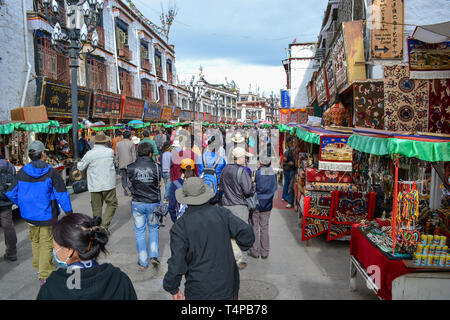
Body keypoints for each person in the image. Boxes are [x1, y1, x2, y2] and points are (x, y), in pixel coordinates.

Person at [163, 177, 254, 300]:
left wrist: (172, 287)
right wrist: (240, 245)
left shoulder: (180, 227)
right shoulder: (222, 213)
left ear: (185, 199)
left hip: (199, 290)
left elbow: (177, 262)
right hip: (228, 286)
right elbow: (247, 233)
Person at [6, 141, 73, 286]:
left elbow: (10, 192)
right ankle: (44, 273)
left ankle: (39, 266)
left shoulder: (22, 172)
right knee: (46, 243)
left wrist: (22, 203)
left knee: (35, 241)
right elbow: (62, 194)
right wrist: (69, 213)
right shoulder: (51, 172)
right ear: (43, 153)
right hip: (46, 215)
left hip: (28, 215)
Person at [36, 213, 137, 300]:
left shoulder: (51, 288)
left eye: (55, 247)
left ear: (69, 251)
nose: (54, 251)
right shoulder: (119, 279)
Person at [127, 142, 162, 269]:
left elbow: (128, 183)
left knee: (140, 232)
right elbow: (158, 182)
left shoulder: (130, 167)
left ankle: (143, 261)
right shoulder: (157, 167)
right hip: (153, 203)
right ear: (151, 153)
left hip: (137, 203)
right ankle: (153, 256)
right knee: (153, 229)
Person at [219, 147, 256, 269]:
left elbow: (222, 187)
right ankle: (241, 258)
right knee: (242, 232)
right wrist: (253, 186)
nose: (245, 159)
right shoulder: (242, 172)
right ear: (239, 158)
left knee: (228, 232)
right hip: (239, 205)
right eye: (244, 157)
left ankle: (228, 256)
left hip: (226, 204)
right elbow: (248, 190)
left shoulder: (225, 170)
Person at [77, 132, 118, 231]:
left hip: (95, 184)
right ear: (105, 141)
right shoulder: (109, 152)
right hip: (108, 183)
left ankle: (96, 227)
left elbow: (80, 167)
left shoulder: (90, 154)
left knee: (96, 207)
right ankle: (104, 225)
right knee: (112, 204)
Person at [248, 157, 278, 259]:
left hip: (257, 203)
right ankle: (264, 252)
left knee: (254, 227)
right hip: (268, 204)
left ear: (261, 162)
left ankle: (255, 251)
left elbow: (255, 187)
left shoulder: (258, 172)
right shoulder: (273, 173)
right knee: (264, 228)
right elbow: (274, 188)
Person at [168, 158, 196, 223]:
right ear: (194, 170)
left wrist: (175, 221)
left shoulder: (175, 184)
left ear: (180, 170)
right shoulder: (199, 183)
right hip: (196, 220)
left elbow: (171, 207)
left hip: (182, 221)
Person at [0, 155, 17, 261]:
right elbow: (14, 180)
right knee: (8, 227)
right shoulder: (9, 165)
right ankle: (12, 253)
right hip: (6, 201)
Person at [116, 130, 137, 196]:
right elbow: (133, 155)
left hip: (122, 163)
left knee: (123, 178)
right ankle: (129, 189)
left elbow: (117, 155)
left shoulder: (118, 144)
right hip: (130, 163)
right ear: (129, 136)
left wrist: (117, 162)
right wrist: (134, 163)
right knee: (130, 178)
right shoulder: (131, 143)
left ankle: (126, 189)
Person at [282, 137, 296, 208]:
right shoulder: (290, 150)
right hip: (288, 169)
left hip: (289, 169)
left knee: (288, 184)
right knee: (289, 184)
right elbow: (285, 160)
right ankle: (287, 198)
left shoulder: (290, 150)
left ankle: (286, 197)